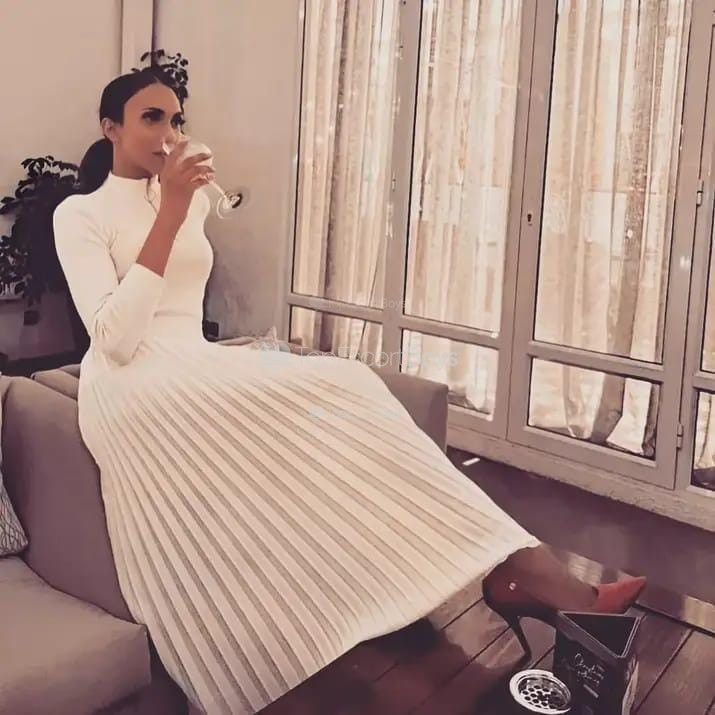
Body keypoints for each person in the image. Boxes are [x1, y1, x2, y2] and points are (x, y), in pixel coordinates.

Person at [52, 67, 646, 715]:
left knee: (348, 381)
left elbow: (184, 315)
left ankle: (509, 565)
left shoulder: (191, 202)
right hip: (132, 383)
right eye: (151, 118)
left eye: (176, 119)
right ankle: (500, 585)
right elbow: (114, 339)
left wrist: (179, 214)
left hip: (191, 359)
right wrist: (168, 213)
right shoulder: (79, 214)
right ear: (110, 128)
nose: (169, 132)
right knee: (313, 397)